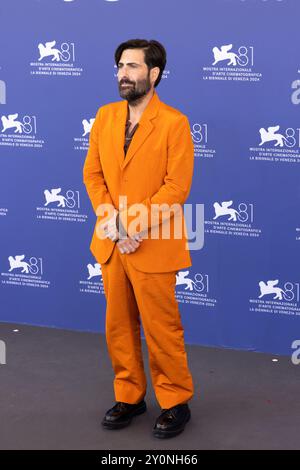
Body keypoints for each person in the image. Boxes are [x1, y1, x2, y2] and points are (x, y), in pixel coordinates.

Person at [83, 39, 195, 439]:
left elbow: (175, 188)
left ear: (154, 73)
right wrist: (111, 221)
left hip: (153, 244)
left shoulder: (175, 123)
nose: (122, 74)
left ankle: (175, 401)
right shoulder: (105, 116)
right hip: (113, 242)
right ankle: (129, 395)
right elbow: (93, 175)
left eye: (131, 66)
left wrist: (130, 225)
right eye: (119, 66)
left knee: (162, 329)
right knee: (119, 326)